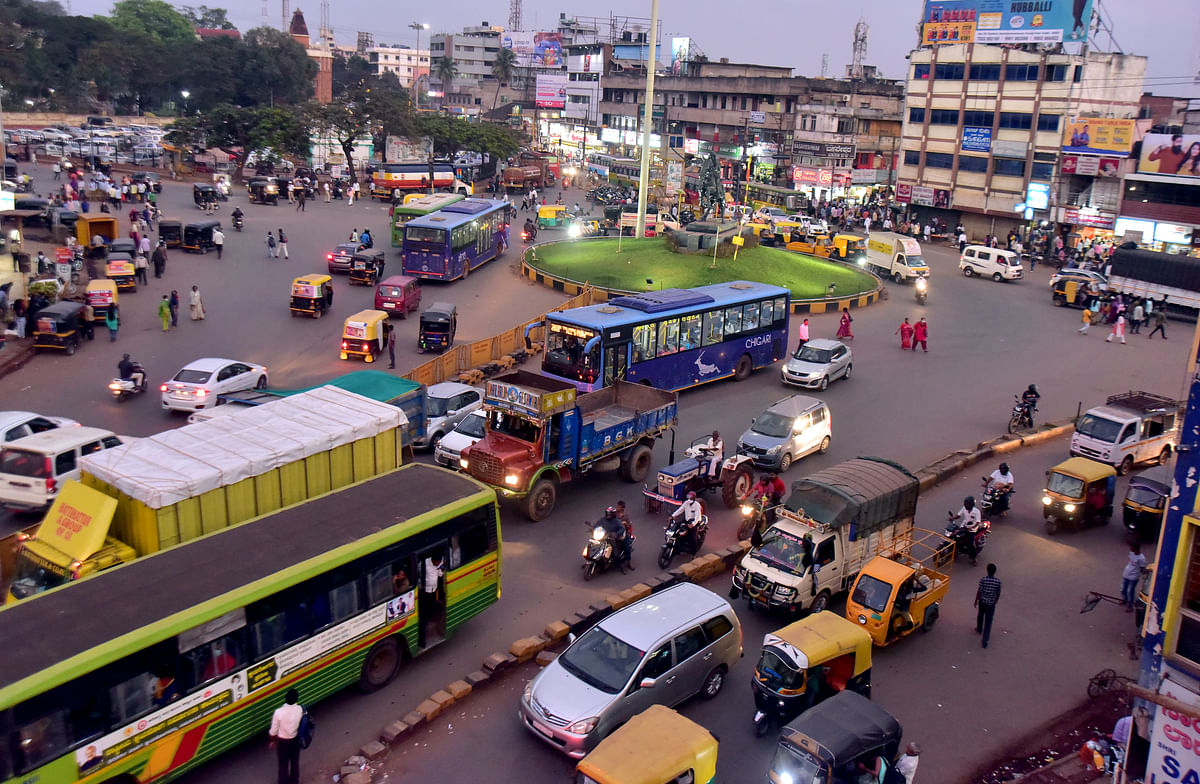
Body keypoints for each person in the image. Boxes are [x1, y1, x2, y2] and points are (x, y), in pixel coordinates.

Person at [268, 688, 304, 784]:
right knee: (294, 762)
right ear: (296, 699)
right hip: (295, 740)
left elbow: (273, 731)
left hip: (283, 742)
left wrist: (272, 741)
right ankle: (294, 781)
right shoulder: (300, 709)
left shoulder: (278, 712)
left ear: (285, 698)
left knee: (283, 764)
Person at [975, 563, 1002, 648]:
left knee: (980, 615)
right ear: (994, 572)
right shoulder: (998, 582)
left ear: (987, 571)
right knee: (988, 622)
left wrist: (976, 600)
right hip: (991, 604)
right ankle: (985, 641)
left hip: (982, 602)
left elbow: (979, 591)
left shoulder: (983, 580)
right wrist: (996, 600)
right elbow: (998, 593)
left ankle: (979, 629)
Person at [601, 506, 632, 572]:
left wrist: (617, 533)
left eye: (609, 514)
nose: (608, 515)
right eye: (607, 513)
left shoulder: (620, 519)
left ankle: (624, 565)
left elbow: (624, 528)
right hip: (608, 536)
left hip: (620, 537)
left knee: (620, 551)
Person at [954, 496, 983, 565]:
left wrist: (972, 527)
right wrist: (952, 518)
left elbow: (978, 522)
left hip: (972, 530)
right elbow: (959, 515)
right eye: (965, 504)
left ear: (971, 505)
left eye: (967, 504)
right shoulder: (964, 508)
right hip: (964, 526)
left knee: (970, 544)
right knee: (955, 536)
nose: (966, 505)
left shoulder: (977, 512)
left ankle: (973, 558)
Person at [1122, 543, 1147, 611]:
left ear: (1136, 549)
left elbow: (1142, 569)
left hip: (1134, 577)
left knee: (1130, 591)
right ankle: (1125, 600)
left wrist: (1145, 574)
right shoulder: (1131, 553)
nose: (1130, 549)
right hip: (1126, 574)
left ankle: (1130, 606)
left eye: (1132, 548)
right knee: (1123, 589)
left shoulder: (1141, 558)